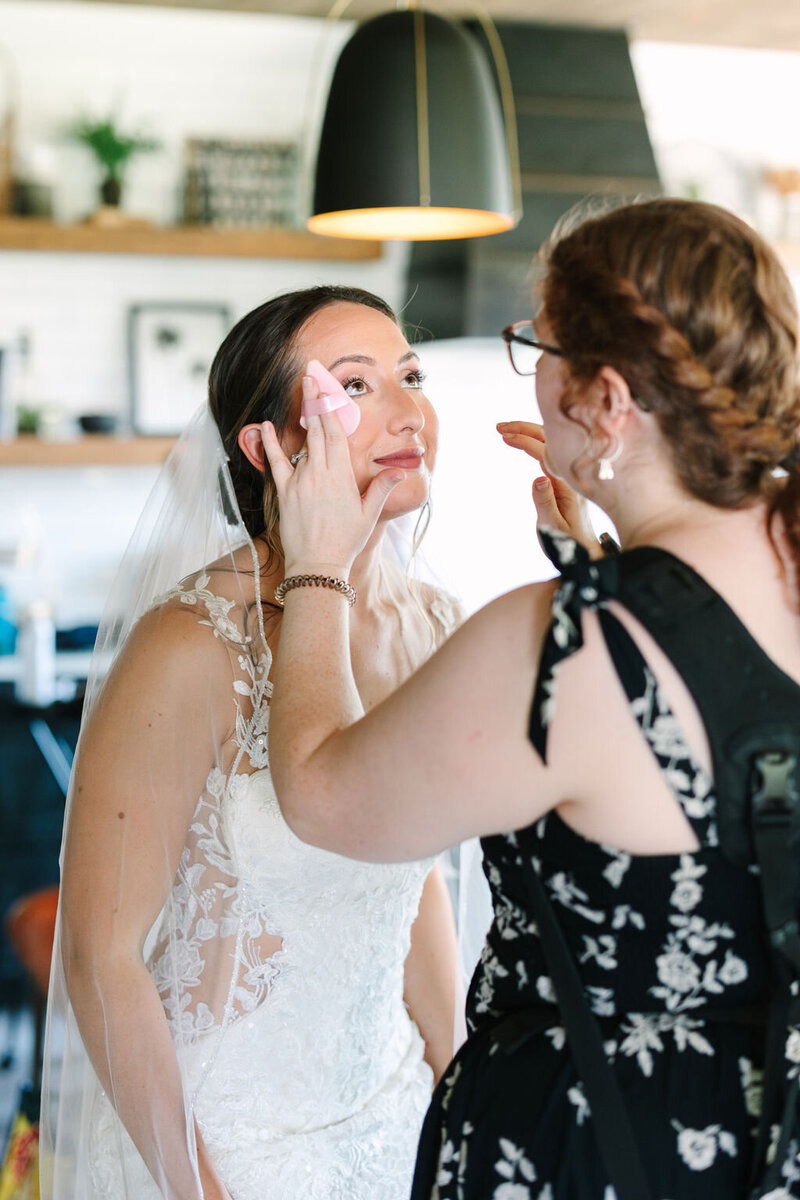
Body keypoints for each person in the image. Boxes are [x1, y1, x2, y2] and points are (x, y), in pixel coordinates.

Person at [260, 199, 800, 1198]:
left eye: (538, 349)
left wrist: (317, 564)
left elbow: (320, 795)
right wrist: (607, 536)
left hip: (599, 1147)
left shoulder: (570, 643)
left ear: (607, 399)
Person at [41, 285, 463, 1200]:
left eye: (411, 376)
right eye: (357, 385)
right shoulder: (193, 642)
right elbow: (100, 959)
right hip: (224, 1142)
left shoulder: (433, 622)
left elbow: (411, 874)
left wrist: (455, 1084)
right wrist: (200, 1190)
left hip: (391, 1125)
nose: (409, 411)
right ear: (270, 446)